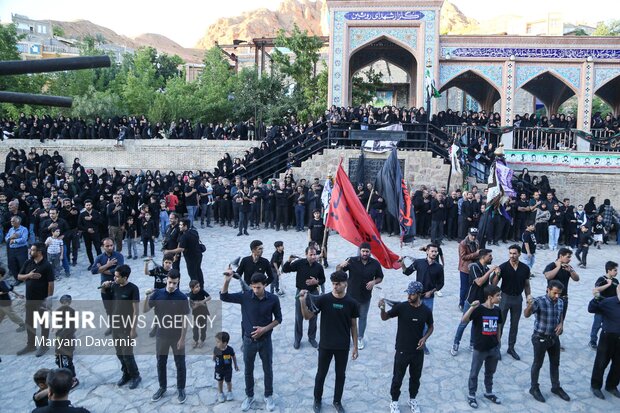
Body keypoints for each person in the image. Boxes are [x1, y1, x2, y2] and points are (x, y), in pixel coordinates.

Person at [220, 272, 282, 412]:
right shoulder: (245, 296)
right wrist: (227, 281)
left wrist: (264, 329)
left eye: (258, 287)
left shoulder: (273, 299)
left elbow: (279, 318)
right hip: (248, 342)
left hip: (266, 341)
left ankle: (268, 395)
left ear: (265, 285)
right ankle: (249, 396)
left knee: (268, 369)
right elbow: (224, 296)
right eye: (253, 287)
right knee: (248, 370)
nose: (255, 290)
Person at [299, 271, 359, 413]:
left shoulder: (352, 303)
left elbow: (353, 325)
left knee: (340, 375)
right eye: (333, 284)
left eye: (338, 284)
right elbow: (307, 317)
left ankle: (337, 401)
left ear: (346, 284)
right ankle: (317, 399)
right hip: (325, 345)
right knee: (321, 374)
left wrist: (355, 346)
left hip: (343, 346)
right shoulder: (324, 299)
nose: (335, 286)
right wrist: (302, 302)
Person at [379, 281, 433, 413]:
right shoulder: (402, 307)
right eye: (408, 293)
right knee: (398, 377)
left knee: (415, 378)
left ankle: (412, 399)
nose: (409, 296)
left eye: (412, 294)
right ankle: (394, 402)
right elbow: (385, 318)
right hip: (402, 350)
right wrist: (382, 309)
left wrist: (424, 338)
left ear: (419, 294)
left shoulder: (426, 311)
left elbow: (431, 326)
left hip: (417, 352)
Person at [144, 269, 189, 404]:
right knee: (160, 363)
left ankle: (181, 388)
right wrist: (147, 296)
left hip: (176, 336)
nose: (171, 286)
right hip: (161, 335)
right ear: (166, 280)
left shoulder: (182, 297)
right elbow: (145, 310)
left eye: (174, 283)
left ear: (178, 282)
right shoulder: (157, 294)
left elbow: (184, 320)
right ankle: (162, 387)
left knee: (180, 364)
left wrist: (182, 339)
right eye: (169, 282)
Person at [524, 279, 570, 403]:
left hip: (554, 338)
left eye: (559, 293)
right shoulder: (539, 301)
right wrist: (529, 305)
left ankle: (555, 387)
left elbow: (560, 315)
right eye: (555, 293)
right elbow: (526, 315)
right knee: (537, 364)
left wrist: (561, 324)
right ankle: (534, 388)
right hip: (540, 338)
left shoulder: (560, 302)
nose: (557, 296)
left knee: (555, 363)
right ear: (548, 290)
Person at [100, 264, 141, 390]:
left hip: (126, 326)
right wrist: (104, 287)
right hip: (115, 325)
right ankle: (126, 373)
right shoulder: (114, 286)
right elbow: (105, 299)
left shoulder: (133, 289)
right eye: (114, 276)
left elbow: (136, 311)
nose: (114, 278)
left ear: (125, 277)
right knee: (119, 353)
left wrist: (133, 329)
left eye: (117, 276)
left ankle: (135, 375)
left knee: (127, 353)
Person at [451, 249, 498, 357]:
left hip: (482, 302)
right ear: (483, 257)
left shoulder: (485, 268)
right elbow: (479, 282)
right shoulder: (474, 267)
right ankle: (456, 343)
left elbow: (492, 285)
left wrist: (496, 274)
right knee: (464, 323)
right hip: (471, 301)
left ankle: (472, 344)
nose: (492, 258)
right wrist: (490, 271)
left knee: (476, 324)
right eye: (490, 256)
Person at [338, 242, 384, 350]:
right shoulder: (351, 260)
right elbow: (339, 273)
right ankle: (346, 337)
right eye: (363, 251)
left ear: (370, 252)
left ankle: (360, 338)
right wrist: (341, 265)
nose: (364, 253)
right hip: (351, 296)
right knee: (348, 317)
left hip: (365, 297)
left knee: (363, 318)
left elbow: (380, 277)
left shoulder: (375, 264)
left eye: (367, 251)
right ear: (360, 251)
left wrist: (374, 282)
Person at [463, 285, 503, 409]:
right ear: (490, 297)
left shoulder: (497, 310)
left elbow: (498, 326)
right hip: (480, 348)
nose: (500, 298)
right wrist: (471, 308)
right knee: (474, 373)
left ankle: (488, 392)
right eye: (498, 296)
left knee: (490, 372)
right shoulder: (479, 310)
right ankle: (471, 394)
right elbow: (464, 320)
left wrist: (498, 341)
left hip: (493, 348)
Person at [282, 245, 325, 349]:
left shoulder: (319, 267)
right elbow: (285, 269)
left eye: (315, 254)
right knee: (298, 317)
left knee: (313, 317)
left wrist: (316, 281)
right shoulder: (300, 263)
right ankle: (297, 339)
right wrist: (288, 261)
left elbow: (323, 279)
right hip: (300, 293)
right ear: (306, 255)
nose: (314, 257)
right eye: (311, 255)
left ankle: (312, 338)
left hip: (314, 293)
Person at [17, 242, 54, 357]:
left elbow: (51, 283)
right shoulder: (28, 262)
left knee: (43, 324)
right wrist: (28, 275)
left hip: (41, 300)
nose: (30, 252)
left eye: (32, 250)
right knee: (29, 323)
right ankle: (31, 345)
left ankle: (44, 345)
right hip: (29, 299)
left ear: (39, 252)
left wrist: (48, 299)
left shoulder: (47, 265)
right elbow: (19, 276)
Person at [496, 245, 531, 360]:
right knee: (500, 324)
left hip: (518, 299)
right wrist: (496, 274)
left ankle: (511, 348)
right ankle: (497, 348)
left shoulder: (525, 268)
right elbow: (494, 283)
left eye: (514, 253)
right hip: (505, 298)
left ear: (520, 254)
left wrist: (528, 297)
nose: (512, 255)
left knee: (514, 325)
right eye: (510, 253)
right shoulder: (503, 267)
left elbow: (526, 284)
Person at [588, 282, 620, 399]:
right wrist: (596, 298)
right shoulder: (608, 302)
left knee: (618, 365)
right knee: (601, 363)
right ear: (618, 290)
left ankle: (611, 386)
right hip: (608, 337)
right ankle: (595, 386)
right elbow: (591, 309)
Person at [92, 238, 124, 336]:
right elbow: (93, 271)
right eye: (107, 246)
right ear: (103, 247)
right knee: (108, 308)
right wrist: (108, 264)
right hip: (104, 286)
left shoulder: (119, 256)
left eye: (111, 245)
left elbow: (119, 270)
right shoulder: (99, 257)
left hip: (117, 285)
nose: (110, 247)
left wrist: (101, 269)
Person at [543, 247, 580, 330]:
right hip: (551, 298)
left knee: (560, 322)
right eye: (568, 257)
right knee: (549, 321)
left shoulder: (568, 267)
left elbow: (577, 279)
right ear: (561, 256)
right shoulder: (551, 265)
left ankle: (555, 340)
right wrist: (558, 267)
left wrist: (571, 271)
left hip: (563, 298)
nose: (570, 259)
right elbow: (548, 276)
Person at [164, 218, 204, 288]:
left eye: (181, 225)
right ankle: (201, 286)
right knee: (198, 270)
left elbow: (181, 249)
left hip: (191, 257)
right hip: (198, 254)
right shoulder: (194, 231)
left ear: (185, 226)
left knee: (192, 274)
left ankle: (195, 289)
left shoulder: (184, 236)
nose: (179, 226)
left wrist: (168, 251)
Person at [589, 261, 619, 349]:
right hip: (601, 307)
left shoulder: (616, 281)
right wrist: (608, 284)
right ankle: (593, 341)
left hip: (611, 308)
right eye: (615, 270)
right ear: (609, 270)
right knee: (597, 325)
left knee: (609, 326)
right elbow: (596, 289)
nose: (616, 272)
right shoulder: (602, 279)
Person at [54, 295, 79, 389]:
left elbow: (71, 327)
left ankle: (73, 379)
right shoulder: (58, 311)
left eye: (67, 302)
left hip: (68, 339)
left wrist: (61, 335)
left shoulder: (72, 312)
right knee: (59, 359)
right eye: (63, 302)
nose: (65, 304)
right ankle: (64, 378)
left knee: (67, 361)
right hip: (59, 338)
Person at [213, 331, 240, 403]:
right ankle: (220, 393)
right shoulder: (216, 349)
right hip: (218, 369)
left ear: (224, 343)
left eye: (218, 342)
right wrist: (214, 358)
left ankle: (229, 392)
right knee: (220, 381)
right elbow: (214, 355)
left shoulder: (229, 350)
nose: (216, 343)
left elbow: (233, 356)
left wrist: (235, 365)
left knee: (228, 381)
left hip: (228, 369)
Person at [458, 228, 480, 310]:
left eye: (475, 235)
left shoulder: (477, 242)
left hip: (473, 267)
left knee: (472, 287)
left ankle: (469, 302)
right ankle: (461, 303)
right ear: (468, 234)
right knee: (464, 287)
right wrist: (475, 254)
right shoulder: (463, 244)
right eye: (472, 235)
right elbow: (463, 257)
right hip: (465, 268)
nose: (474, 237)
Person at [77, 199, 102, 270]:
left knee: (98, 248)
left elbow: (100, 222)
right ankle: (92, 263)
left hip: (95, 233)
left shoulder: (96, 213)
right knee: (88, 249)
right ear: (85, 206)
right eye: (87, 205)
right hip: (86, 234)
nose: (88, 206)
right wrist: (87, 229)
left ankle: (100, 263)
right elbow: (79, 225)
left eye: (89, 205)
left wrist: (92, 219)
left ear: (92, 205)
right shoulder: (82, 214)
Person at [0, 265, 26, 332]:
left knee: (11, 314)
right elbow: (11, 289)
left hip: (4, 302)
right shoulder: (5, 282)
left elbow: (6, 290)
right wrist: (19, 295)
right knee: (1, 314)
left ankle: (22, 324)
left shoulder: (2, 283)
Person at [5, 215, 29, 285]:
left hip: (21, 249)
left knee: (22, 264)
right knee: (13, 265)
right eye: (11, 221)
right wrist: (11, 238)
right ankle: (17, 279)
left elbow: (24, 239)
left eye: (13, 221)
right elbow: (6, 238)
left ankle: (25, 278)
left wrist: (14, 241)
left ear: (18, 221)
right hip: (11, 250)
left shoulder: (24, 229)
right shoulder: (11, 229)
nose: (11, 222)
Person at [188, 279, 211, 348]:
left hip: (204, 312)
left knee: (203, 328)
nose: (199, 288)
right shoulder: (191, 295)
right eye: (197, 287)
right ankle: (196, 340)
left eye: (199, 286)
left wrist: (201, 301)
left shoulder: (201, 291)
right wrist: (200, 303)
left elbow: (209, 297)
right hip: (195, 314)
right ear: (192, 288)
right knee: (195, 328)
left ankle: (202, 340)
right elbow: (193, 307)